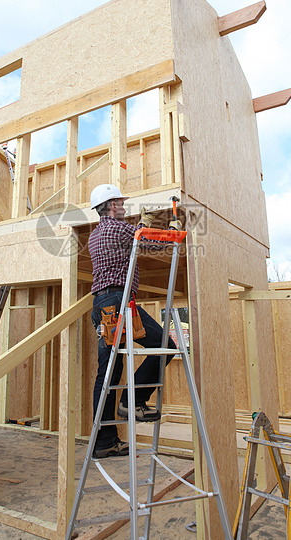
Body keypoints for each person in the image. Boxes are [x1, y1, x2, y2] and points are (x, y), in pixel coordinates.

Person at [88, 183, 178, 458]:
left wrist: (142, 225)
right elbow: (152, 242)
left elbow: (133, 239)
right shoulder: (118, 229)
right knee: (167, 346)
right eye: (121, 203)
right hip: (118, 304)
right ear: (112, 205)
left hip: (102, 306)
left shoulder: (96, 234)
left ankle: (104, 442)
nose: (124, 207)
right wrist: (172, 229)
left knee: (108, 372)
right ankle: (132, 399)